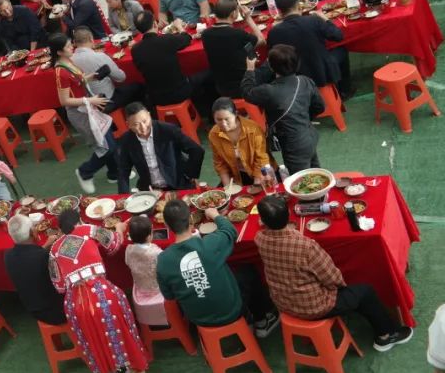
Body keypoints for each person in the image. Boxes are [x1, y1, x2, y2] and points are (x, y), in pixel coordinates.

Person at [255, 195, 414, 351]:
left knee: (352, 293)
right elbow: (333, 278)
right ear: (289, 214)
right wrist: (341, 286)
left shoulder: (259, 238)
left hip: (282, 303)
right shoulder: (305, 246)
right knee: (365, 292)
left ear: (262, 221)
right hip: (313, 308)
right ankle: (386, 335)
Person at [157, 199, 279, 336]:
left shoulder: (162, 260)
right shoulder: (209, 244)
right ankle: (260, 322)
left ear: (166, 225)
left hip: (198, 319)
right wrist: (215, 215)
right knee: (248, 271)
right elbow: (230, 231)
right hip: (231, 311)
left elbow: (170, 295)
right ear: (191, 220)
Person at [49, 212, 148, 373]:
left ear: (61, 229)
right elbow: (114, 245)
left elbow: (59, 287)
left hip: (76, 304)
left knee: (97, 340)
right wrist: (119, 228)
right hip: (102, 294)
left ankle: (115, 369)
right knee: (121, 334)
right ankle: (131, 368)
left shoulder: (54, 249)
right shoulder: (89, 229)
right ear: (79, 221)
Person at [51, 33, 121, 193]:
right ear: (59, 52)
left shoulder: (68, 61)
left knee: (107, 139)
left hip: (88, 106)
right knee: (106, 146)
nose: (72, 47)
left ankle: (114, 173)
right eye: (68, 46)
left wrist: (93, 77)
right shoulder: (61, 72)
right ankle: (85, 172)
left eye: (71, 44)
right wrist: (90, 100)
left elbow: (78, 80)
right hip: (80, 112)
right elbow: (64, 100)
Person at [242, 45, 326, 172]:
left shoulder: (269, 91)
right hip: (309, 134)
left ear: (271, 66)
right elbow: (320, 107)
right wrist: (301, 118)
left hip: (293, 144)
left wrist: (250, 68)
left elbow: (247, 91)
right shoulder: (305, 81)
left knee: (300, 179)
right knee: (316, 173)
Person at [267, 0, 351, 96]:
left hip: (294, 76)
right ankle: (345, 91)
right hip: (321, 73)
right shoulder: (313, 20)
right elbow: (338, 36)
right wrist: (325, 19)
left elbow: (272, 56)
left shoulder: (273, 32)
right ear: (298, 6)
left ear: (280, 11)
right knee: (341, 49)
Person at [118, 102, 204, 190]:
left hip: (177, 184)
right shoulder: (126, 140)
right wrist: (123, 194)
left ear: (149, 115)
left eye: (145, 121)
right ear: (128, 124)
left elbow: (197, 150)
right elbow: (123, 169)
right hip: (150, 188)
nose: (143, 127)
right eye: (136, 124)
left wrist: (191, 174)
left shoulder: (168, 130)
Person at [130, 9, 204, 108]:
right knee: (205, 75)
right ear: (155, 24)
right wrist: (179, 27)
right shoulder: (166, 40)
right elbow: (187, 38)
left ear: (139, 30)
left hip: (155, 98)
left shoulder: (135, 50)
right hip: (180, 93)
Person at [201, 0, 265, 97]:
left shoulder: (205, 34)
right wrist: (248, 18)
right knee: (268, 66)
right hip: (245, 85)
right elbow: (262, 40)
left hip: (222, 87)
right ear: (234, 13)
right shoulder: (237, 34)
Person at [208, 97, 273, 186]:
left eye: (227, 119)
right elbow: (220, 164)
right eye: (219, 120)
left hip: (261, 172)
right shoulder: (214, 134)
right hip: (236, 175)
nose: (223, 123)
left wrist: (256, 185)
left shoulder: (253, 129)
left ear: (236, 114)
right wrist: (227, 188)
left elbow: (261, 159)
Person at [124, 215, 167, 326]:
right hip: (158, 290)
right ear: (149, 236)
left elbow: (128, 262)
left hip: (140, 288)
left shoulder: (128, 250)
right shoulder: (156, 253)